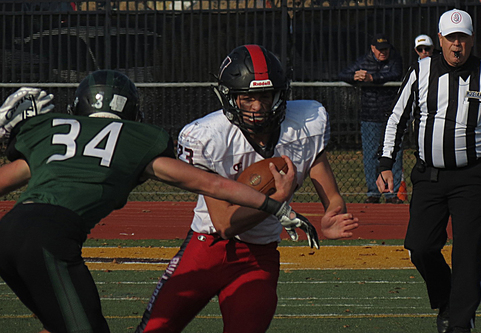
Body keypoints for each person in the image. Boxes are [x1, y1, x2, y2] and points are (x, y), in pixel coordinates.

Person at [0, 70, 309, 333]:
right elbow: (213, 184)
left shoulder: (54, 139)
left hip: (7, 234)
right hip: (49, 243)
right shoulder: (135, 140)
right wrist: (275, 206)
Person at [135, 44, 359, 333]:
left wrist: (333, 212)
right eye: (247, 98)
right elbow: (225, 224)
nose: (257, 107)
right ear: (230, 97)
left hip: (259, 256)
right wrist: (278, 199)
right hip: (207, 249)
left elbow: (330, 191)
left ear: (279, 94)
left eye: (264, 96)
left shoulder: (306, 124)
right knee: (155, 329)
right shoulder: (208, 137)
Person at [377, 9, 481, 333]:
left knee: (466, 253)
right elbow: (396, 118)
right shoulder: (421, 71)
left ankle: (459, 323)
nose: (457, 46)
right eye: (451, 38)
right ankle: (447, 297)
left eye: (463, 38)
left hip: (471, 178)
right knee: (420, 247)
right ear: (440, 39)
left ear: (472, 40)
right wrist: (386, 163)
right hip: (429, 176)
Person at [338, 33, 404, 204]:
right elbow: (343, 73)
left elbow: (396, 74)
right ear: (372, 49)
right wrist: (355, 77)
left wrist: (372, 78)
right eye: (380, 49)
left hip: (391, 116)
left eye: (386, 49)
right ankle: (373, 193)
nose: (383, 52)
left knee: (393, 154)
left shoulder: (395, 60)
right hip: (370, 116)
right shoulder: (363, 61)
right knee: (370, 156)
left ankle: (392, 194)